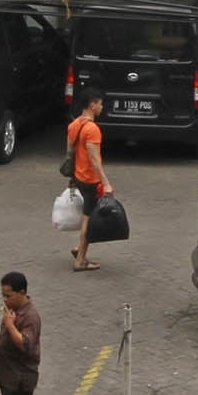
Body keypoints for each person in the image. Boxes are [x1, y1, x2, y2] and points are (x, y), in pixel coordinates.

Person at [66, 94, 109, 271]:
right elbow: (94, 158)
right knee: (88, 219)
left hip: (79, 176)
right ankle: (81, 260)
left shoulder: (73, 125)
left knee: (86, 214)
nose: (102, 108)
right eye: (100, 104)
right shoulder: (92, 129)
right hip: (91, 179)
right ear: (92, 105)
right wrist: (106, 182)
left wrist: (72, 177)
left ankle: (78, 249)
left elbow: (69, 152)